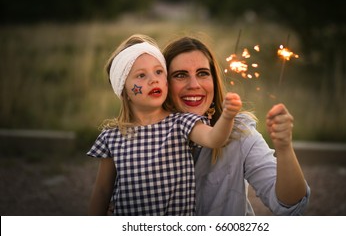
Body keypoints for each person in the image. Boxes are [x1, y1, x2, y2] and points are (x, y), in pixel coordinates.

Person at [87, 34, 242, 216]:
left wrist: (227, 116)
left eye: (159, 72)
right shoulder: (112, 137)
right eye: (141, 75)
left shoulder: (181, 123)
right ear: (124, 90)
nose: (153, 79)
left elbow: (214, 138)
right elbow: (102, 191)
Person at [162, 36, 310, 215]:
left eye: (202, 73)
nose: (194, 85)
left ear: (214, 81)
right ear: (164, 84)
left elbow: (290, 206)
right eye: (180, 75)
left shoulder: (238, 132)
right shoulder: (145, 136)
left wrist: (285, 147)